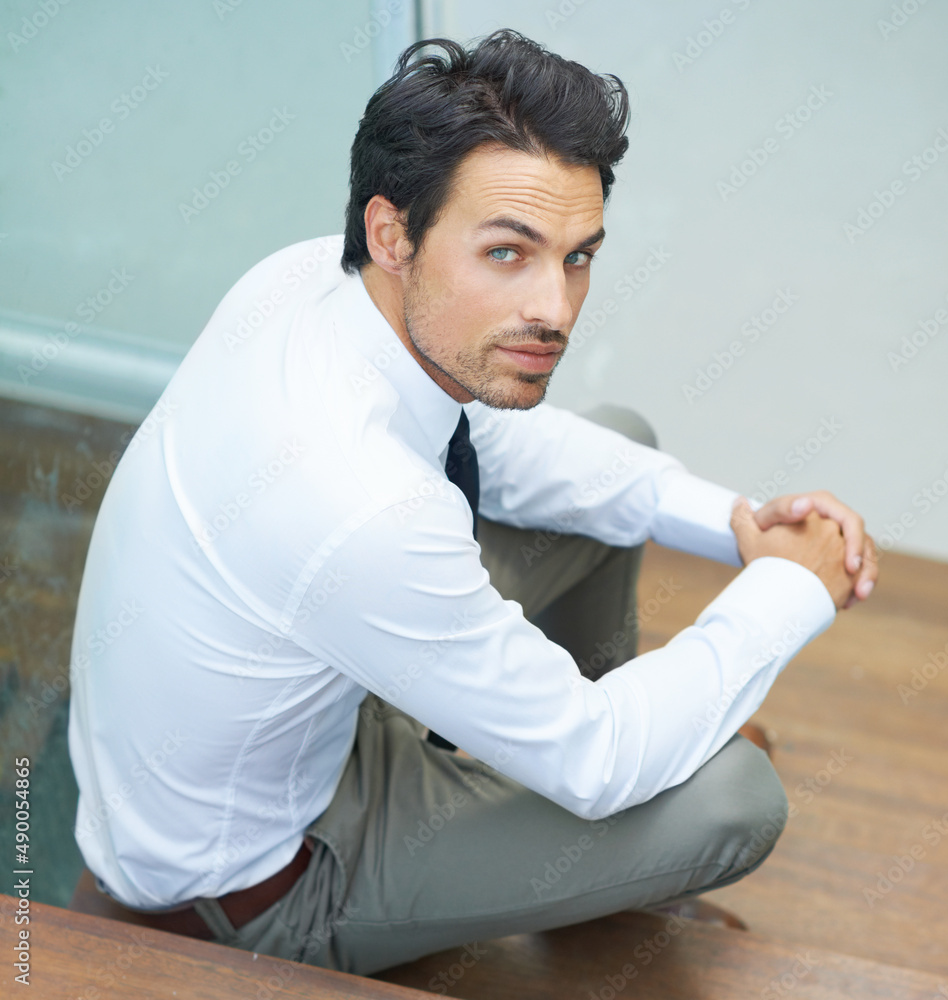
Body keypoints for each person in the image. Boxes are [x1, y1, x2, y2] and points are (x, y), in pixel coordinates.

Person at [67, 29, 877, 975]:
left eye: (577, 258)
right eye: (508, 253)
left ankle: (554, 773)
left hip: (308, 703)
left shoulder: (305, 278)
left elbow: (497, 442)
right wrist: (791, 588)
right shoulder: (356, 505)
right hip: (258, 889)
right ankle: (583, 824)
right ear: (393, 233)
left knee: (624, 451)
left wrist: (737, 524)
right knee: (733, 798)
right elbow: (598, 761)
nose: (556, 309)